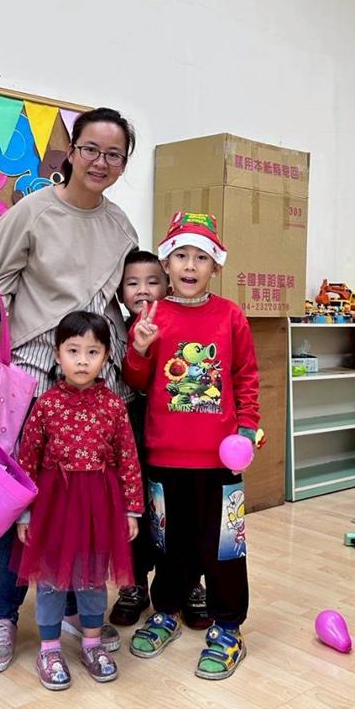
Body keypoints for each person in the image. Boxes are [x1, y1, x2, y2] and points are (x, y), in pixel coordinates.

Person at [0, 107, 138, 673]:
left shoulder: (122, 227)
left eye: (114, 154)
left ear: (124, 164)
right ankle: (5, 615)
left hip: (100, 387)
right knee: (22, 502)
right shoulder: (31, 212)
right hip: (35, 382)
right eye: (91, 149)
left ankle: (73, 610)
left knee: (86, 503)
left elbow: (126, 302)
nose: (100, 162)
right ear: (71, 152)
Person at [122, 211, 261, 680]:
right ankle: (166, 611)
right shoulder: (151, 316)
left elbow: (246, 377)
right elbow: (136, 381)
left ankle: (228, 626)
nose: (189, 265)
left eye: (201, 257)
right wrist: (140, 349)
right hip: (165, 457)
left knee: (225, 548)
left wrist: (247, 428)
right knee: (169, 545)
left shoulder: (231, 315)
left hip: (222, 460)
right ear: (167, 263)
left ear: (215, 266)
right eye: (181, 255)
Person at [16, 311, 143, 690]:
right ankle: (49, 649)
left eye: (93, 351)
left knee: (92, 579)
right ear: (57, 355)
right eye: (73, 351)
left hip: (99, 507)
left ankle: (91, 643)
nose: (83, 360)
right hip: (54, 506)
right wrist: (24, 514)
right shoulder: (46, 405)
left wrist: (131, 510)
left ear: (106, 356)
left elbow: (128, 459)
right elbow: (27, 459)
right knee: (51, 581)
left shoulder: (114, 406)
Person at [108, 250, 211, 631]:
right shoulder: (115, 329)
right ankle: (133, 583)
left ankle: (190, 583)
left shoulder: (181, 320)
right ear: (119, 292)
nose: (143, 290)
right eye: (132, 283)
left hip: (177, 436)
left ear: (167, 285)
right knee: (132, 507)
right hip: (131, 434)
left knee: (183, 512)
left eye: (152, 282)